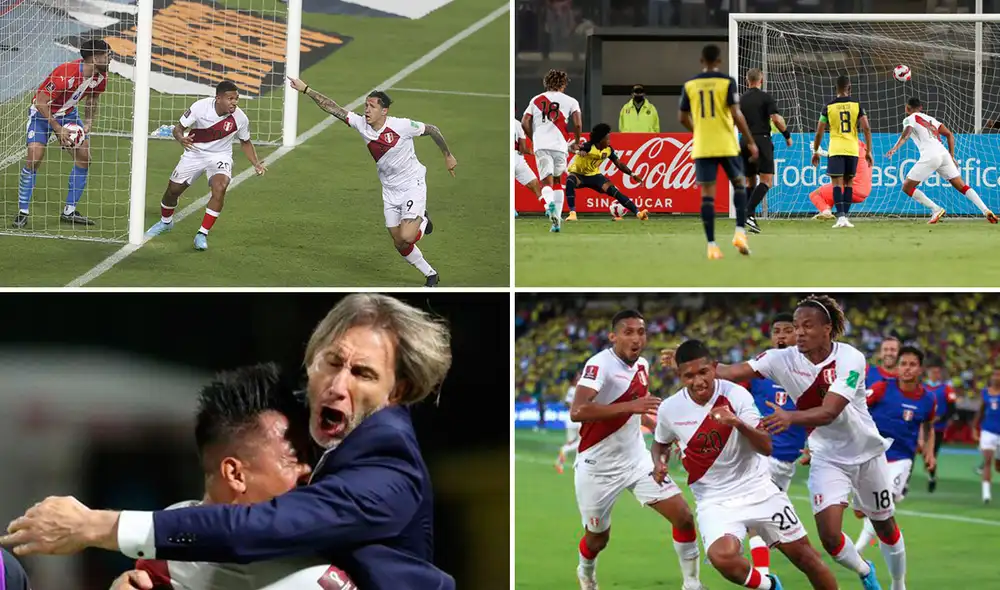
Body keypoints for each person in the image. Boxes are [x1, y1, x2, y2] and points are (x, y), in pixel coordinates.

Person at [1, 294, 455, 589]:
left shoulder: (387, 470)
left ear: (396, 392)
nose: (339, 384)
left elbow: (265, 527)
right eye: (332, 362)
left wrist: (97, 526)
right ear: (311, 362)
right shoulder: (307, 416)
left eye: (363, 373)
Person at [703, 295, 904, 590]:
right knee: (830, 538)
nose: (799, 333)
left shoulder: (850, 358)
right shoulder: (780, 359)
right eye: (796, 327)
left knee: (885, 527)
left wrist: (790, 417)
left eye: (807, 326)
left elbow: (830, 411)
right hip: (827, 456)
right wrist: (694, 362)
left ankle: (899, 583)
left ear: (827, 329)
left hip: (867, 453)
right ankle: (865, 570)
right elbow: (729, 371)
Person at [108, 362, 347, 589]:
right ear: (235, 474)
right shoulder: (170, 555)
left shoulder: (335, 529)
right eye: (294, 458)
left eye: (310, 457)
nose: (308, 471)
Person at [653, 340, 838, 590]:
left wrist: (737, 423)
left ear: (714, 368)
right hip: (715, 500)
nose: (698, 381)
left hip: (759, 489)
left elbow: (766, 446)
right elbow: (660, 444)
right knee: (722, 558)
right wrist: (659, 463)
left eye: (703, 372)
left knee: (807, 559)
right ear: (679, 376)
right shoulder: (670, 408)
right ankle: (770, 586)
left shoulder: (735, 395)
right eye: (689, 376)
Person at [570, 310, 704, 590]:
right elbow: (578, 410)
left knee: (683, 516)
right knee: (597, 538)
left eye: (641, 332)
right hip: (598, 468)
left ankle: (692, 584)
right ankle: (586, 572)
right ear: (613, 336)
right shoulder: (599, 365)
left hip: (637, 461)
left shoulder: (642, 365)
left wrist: (662, 432)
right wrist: (632, 406)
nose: (636, 338)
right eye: (628, 332)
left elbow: (639, 412)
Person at [289, 79, 457, 287]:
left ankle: (423, 220)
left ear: (384, 111)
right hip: (390, 190)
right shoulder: (362, 124)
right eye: (366, 105)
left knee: (407, 235)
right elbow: (333, 108)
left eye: (372, 106)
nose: (366, 110)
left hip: (412, 184)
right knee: (399, 242)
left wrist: (447, 155)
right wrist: (306, 90)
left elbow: (432, 129)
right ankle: (431, 274)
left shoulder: (402, 126)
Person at [145, 80, 267, 251]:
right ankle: (166, 222)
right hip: (194, 153)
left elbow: (245, 142)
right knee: (173, 190)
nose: (234, 102)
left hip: (220, 156)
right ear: (218, 98)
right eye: (230, 99)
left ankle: (202, 234)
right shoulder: (200, 107)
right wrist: (181, 139)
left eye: (236, 99)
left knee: (220, 187)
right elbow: (178, 129)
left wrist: (256, 163)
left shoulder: (240, 118)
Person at [14, 39, 111, 228]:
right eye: (107, 55)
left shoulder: (100, 77)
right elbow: (40, 102)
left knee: (84, 158)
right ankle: (22, 211)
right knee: (34, 159)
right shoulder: (66, 72)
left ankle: (69, 211)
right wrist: (58, 129)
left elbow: (92, 99)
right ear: (94, 58)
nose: (110, 59)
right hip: (41, 115)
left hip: (68, 114)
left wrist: (88, 123)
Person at [854, 346, 936, 554]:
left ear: (920, 369)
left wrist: (929, 451)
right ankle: (877, 535)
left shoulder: (928, 399)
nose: (907, 368)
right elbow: (856, 407)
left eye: (912, 364)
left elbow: (929, 426)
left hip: (901, 458)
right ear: (897, 367)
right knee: (860, 511)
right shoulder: (882, 388)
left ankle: (858, 550)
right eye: (903, 364)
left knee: (883, 502)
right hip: (872, 456)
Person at [679, 44, 757, 260]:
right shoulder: (727, 82)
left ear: (701, 61)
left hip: (703, 146)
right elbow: (736, 114)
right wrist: (750, 141)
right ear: (719, 61)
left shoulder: (690, 85)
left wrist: (698, 131)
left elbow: (682, 117)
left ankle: (712, 246)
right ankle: (740, 233)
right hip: (726, 143)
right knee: (739, 185)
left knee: (707, 196)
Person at [885, 97, 997, 224]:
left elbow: (906, 134)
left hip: (930, 155)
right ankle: (986, 210)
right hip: (944, 154)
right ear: (921, 108)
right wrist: (951, 156)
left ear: (907, 108)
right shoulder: (931, 120)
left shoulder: (909, 119)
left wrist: (895, 148)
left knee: (907, 187)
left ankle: (936, 209)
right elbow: (949, 134)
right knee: (962, 186)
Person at [811, 75, 873, 229]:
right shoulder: (857, 106)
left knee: (837, 184)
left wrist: (816, 150)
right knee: (849, 183)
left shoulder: (828, 107)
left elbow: (819, 132)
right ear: (849, 88)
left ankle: (841, 218)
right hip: (852, 149)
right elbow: (866, 128)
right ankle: (845, 217)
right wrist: (869, 151)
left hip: (836, 148)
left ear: (835, 89)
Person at [523, 69, 582, 229]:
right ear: (563, 84)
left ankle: (550, 205)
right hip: (560, 146)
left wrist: (533, 137)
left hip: (541, 145)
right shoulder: (571, 101)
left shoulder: (536, 100)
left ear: (546, 83)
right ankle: (557, 222)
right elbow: (577, 124)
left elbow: (525, 121)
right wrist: (577, 141)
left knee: (546, 182)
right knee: (557, 181)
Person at [738, 68, 792, 234]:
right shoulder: (766, 98)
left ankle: (750, 218)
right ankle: (748, 212)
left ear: (747, 80)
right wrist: (787, 135)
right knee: (767, 181)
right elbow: (776, 119)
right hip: (761, 140)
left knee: (749, 181)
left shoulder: (740, 99)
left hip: (744, 140)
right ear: (761, 80)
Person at [565, 123, 648, 225]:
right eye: (607, 139)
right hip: (579, 175)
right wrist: (578, 151)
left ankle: (638, 213)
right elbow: (572, 148)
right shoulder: (588, 146)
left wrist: (632, 175)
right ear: (600, 140)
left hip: (594, 176)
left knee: (614, 190)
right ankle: (572, 214)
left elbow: (619, 164)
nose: (609, 141)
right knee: (570, 180)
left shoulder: (608, 150)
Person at [809, 141, 871, 220]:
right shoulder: (864, 150)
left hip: (853, 190)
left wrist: (819, 152)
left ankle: (826, 211)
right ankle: (826, 211)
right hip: (865, 192)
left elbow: (839, 161)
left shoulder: (851, 148)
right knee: (831, 193)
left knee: (814, 194)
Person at [923, 356, 957, 492]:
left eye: (937, 372)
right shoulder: (921, 387)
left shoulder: (946, 389)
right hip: (922, 427)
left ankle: (931, 477)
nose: (935, 374)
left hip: (938, 428)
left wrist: (940, 418)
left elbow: (952, 409)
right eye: (933, 372)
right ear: (928, 372)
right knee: (919, 452)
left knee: (932, 453)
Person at [973, 368, 1000, 504]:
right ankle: (986, 494)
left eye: (999, 375)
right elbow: (980, 411)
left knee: (998, 466)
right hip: (988, 431)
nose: (996, 377)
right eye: (995, 374)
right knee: (987, 461)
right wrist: (974, 428)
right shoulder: (985, 393)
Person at [555, 370, 582, 474]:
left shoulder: (575, 389)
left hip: (572, 419)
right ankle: (565, 450)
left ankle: (559, 463)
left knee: (572, 442)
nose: (579, 376)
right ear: (574, 378)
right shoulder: (573, 390)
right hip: (575, 419)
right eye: (578, 375)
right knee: (580, 442)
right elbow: (569, 403)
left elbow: (567, 403)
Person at [514, 116, 543, 210]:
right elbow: (523, 148)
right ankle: (547, 207)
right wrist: (531, 151)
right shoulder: (517, 124)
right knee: (534, 184)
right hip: (516, 158)